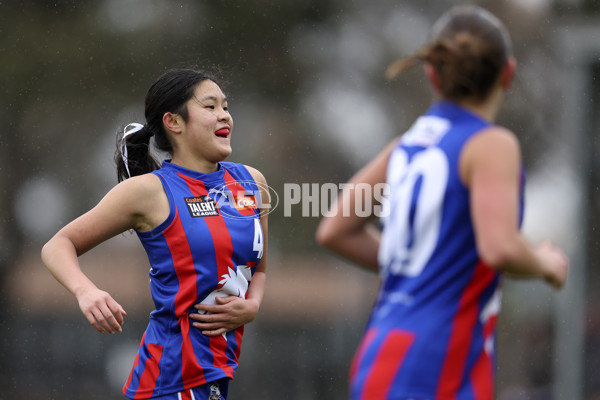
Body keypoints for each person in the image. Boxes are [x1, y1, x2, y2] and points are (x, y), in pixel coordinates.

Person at [316, 5, 568, 400]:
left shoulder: (406, 147)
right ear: (509, 73)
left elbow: (335, 229)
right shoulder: (490, 144)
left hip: (380, 352)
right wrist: (546, 263)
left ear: (432, 73)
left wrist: (420, 264)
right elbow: (499, 245)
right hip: (435, 361)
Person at [41, 68, 269, 400]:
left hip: (218, 376)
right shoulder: (149, 192)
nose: (225, 116)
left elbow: (259, 269)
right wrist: (86, 292)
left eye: (225, 106)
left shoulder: (253, 182)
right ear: (174, 122)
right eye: (210, 107)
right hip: (169, 380)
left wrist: (254, 305)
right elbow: (58, 245)